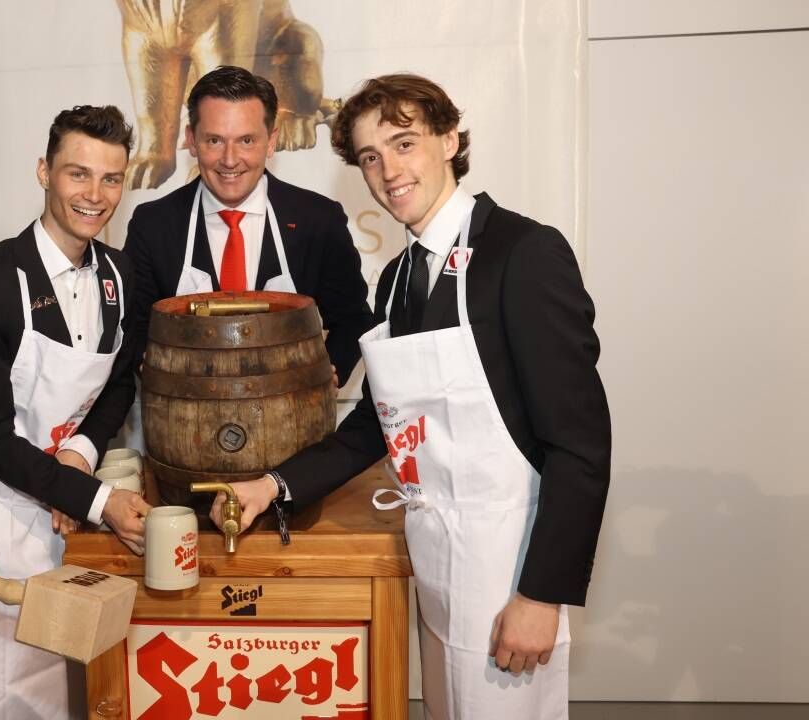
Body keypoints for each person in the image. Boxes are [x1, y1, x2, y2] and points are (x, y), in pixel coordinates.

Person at [212, 74, 611, 718]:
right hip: (434, 558)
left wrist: (542, 594)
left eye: (404, 144)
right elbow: (379, 423)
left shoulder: (522, 253)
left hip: (509, 561)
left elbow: (581, 443)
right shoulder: (398, 278)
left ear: (450, 139)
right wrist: (274, 485)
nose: (388, 171)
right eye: (370, 157)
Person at [0, 105, 151, 720]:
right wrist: (93, 498)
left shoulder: (121, 275)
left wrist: (77, 456)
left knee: (62, 690)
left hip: (66, 513)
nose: (94, 195)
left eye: (111, 179)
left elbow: (118, 383)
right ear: (44, 171)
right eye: (77, 174)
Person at [124, 64, 373, 390]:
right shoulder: (153, 225)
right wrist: (158, 371)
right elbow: (134, 326)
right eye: (214, 140)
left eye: (246, 140)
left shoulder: (318, 220)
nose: (230, 160)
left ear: (271, 141)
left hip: (292, 409)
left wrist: (328, 370)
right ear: (191, 140)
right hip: (186, 409)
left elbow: (353, 318)